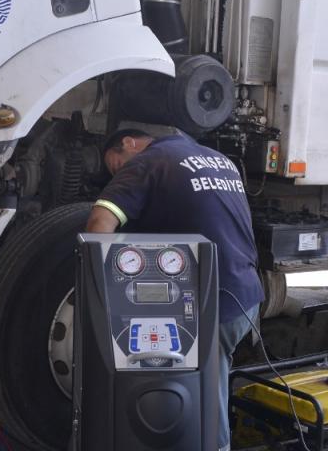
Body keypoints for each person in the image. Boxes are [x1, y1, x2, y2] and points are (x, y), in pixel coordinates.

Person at [86, 129, 263, 451]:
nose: (117, 173)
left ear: (129, 143)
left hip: (213, 300)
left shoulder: (151, 160)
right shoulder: (217, 158)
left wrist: (99, 295)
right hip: (246, 295)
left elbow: (100, 223)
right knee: (209, 385)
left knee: (201, 403)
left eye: (115, 166)